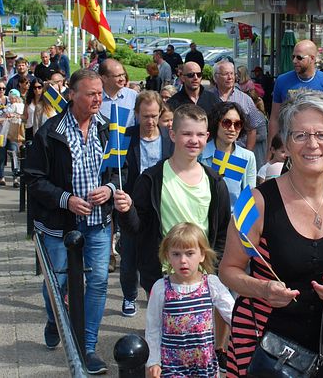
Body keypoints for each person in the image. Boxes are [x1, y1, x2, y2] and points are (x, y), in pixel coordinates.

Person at [220, 91, 323, 377]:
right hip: (268, 349)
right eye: (300, 135)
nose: (312, 144)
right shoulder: (254, 201)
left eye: (321, 134)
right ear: (286, 142)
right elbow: (228, 270)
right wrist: (262, 289)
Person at [24, 69, 120, 375]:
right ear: (72, 95)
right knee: (59, 282)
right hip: (60, 224)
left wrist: (110, 189)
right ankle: (55, 318)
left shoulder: (109, 129)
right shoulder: (51, 133)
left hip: (98, 222)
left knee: (99, 281)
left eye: (100, 93)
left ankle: (86, 346)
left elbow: (120, 168)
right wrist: (66, 199)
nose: (97, 99)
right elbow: (33, 179)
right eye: (90, 93)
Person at [116, 103, 230, 296]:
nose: (194, 140)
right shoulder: (151, 179)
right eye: (187, 134)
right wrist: (127, 211)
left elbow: (221, 233)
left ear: (207, 137)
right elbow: (136, 229)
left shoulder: (215, 182)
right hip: (161, 278)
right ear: (172, 135)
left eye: (200, 135)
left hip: (203, 279)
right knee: (160, 327)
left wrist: (214, 270)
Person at [144, 222, 234, 378]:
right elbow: (153, 328)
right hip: (172, 366)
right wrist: (153, 361)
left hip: (205, 365)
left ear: (202, 255)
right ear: (167, 255)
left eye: (189, 253)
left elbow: (232, 314)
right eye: (176, 254)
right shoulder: (161, 288)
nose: (183, 260)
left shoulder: (211, 284)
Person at [119, 90, 175, 317]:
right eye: (145, 116)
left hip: (161, 204)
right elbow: (119, 168)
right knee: (129, 253)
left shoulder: (168, 138)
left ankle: (158, 298)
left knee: (158, 255)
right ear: (137, 114)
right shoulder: (126, 136)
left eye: (154, 116)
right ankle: (129, 295)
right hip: (133, 202)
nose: (150, 121)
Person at [268, 39, 323, 147]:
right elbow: (274, 118)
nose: (294, 61)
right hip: (289, 141)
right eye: (293, 57)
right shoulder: (282, 80)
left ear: (312, 58)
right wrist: (271, 149)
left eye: (299, 57)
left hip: (318, 142)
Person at [200, 102, 257, 206]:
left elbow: (248, 198)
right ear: (216, 123)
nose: (232, 129)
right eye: (226, 123)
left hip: (234, 219)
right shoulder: (200, 153)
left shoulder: (248, 157)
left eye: (237, 124)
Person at [211, 59, 266, 155]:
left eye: (232, 74)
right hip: (212, 153)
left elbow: (252, 129)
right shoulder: (207, 97)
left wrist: (247, 154)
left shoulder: (246, 100)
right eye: (226, 74)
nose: (230, 77)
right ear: (216, 77)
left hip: (237, 154)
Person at [99, 59, 137, 128]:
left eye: (123, 74)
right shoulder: (96, 99)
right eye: (118, 76)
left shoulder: (133, 96)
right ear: (104, 78)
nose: (122, 79)